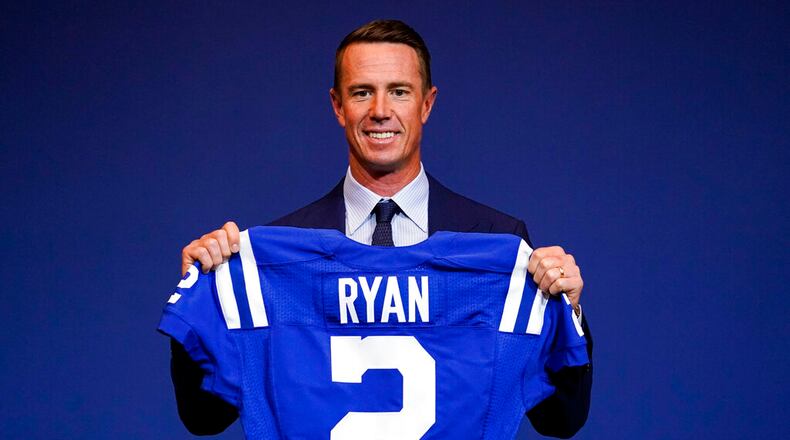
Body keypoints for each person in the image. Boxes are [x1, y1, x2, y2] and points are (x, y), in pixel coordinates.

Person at [170, 19, 592, 438]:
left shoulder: (496, 243)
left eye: (399, 92)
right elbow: (203, 418)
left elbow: (561, 420)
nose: (380, 111)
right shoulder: (276, 260)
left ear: (427, 104)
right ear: (338, 105)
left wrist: (569, 309)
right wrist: (205, 290)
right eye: (362, 92)